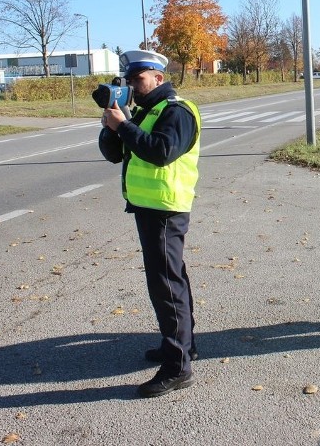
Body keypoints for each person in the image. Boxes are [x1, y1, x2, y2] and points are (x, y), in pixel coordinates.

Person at [98, 50, 202, 397]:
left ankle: (177, 367)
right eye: (128, 80)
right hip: (148, 207)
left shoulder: (176, 111)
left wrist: (124, 125)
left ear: (158, 78)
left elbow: (161, 151)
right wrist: (113, 127)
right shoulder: (144, 112)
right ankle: (182, 346)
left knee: (166, 285)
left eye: (138, 79)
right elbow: (115, 155)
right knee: (172, 279)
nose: (132, 86)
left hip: (165, 210)